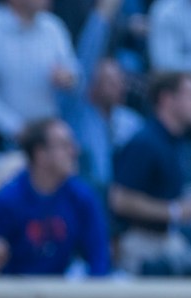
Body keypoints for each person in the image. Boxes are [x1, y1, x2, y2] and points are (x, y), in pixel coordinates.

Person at [0, 117, 111, 276]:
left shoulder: (82, 197)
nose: (74, 152)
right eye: (64, 146)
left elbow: (99, 257)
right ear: (41, 154)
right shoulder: (8, 200)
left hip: (64, 289)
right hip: (17, 291)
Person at [109, 71, 191, 275]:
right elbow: (119, 199)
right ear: (167, 99)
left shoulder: (177, 141)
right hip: (139, 241)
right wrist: (175, 211)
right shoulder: (145, 142)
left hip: (167, 238)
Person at [0, 0, 79, 146]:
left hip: (46, 141)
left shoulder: (53, 27)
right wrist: (15, 127)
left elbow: (73, 72)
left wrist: (68, 78)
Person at [61, 0, 144, 187]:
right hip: (85, 194)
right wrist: (101, 16)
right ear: (93, 86)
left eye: (120, 81)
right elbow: (87, 57)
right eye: (110, 82)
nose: (119, 87)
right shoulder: (77, 113)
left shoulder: (131, 122)